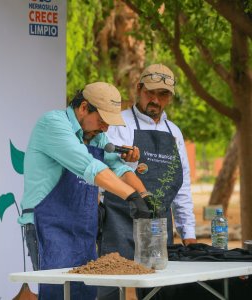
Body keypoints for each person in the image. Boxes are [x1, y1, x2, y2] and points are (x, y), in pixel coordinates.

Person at [18, 82, 153, 300]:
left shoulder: (96, 136)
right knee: (59, 295)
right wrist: (131, 196)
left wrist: (145, 197)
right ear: (83, 108)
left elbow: (116, 168)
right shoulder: (53, 123)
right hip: (49, 227)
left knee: (86, 294)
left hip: (83, 229)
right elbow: (90, 167)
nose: (106, 129)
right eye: (102, 121)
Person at [98, 64, 197, 299]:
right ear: (138, 88)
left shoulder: (175, 132)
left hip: (158, 223)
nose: (155, 99)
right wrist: (131, 165)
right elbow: (105, 173)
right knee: (111, 289)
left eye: (162, 94)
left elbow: (181, 185)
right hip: (119, 220)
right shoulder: (117, 123)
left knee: (159, 290)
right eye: (149, 92)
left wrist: (188, 232)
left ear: (169, 98)